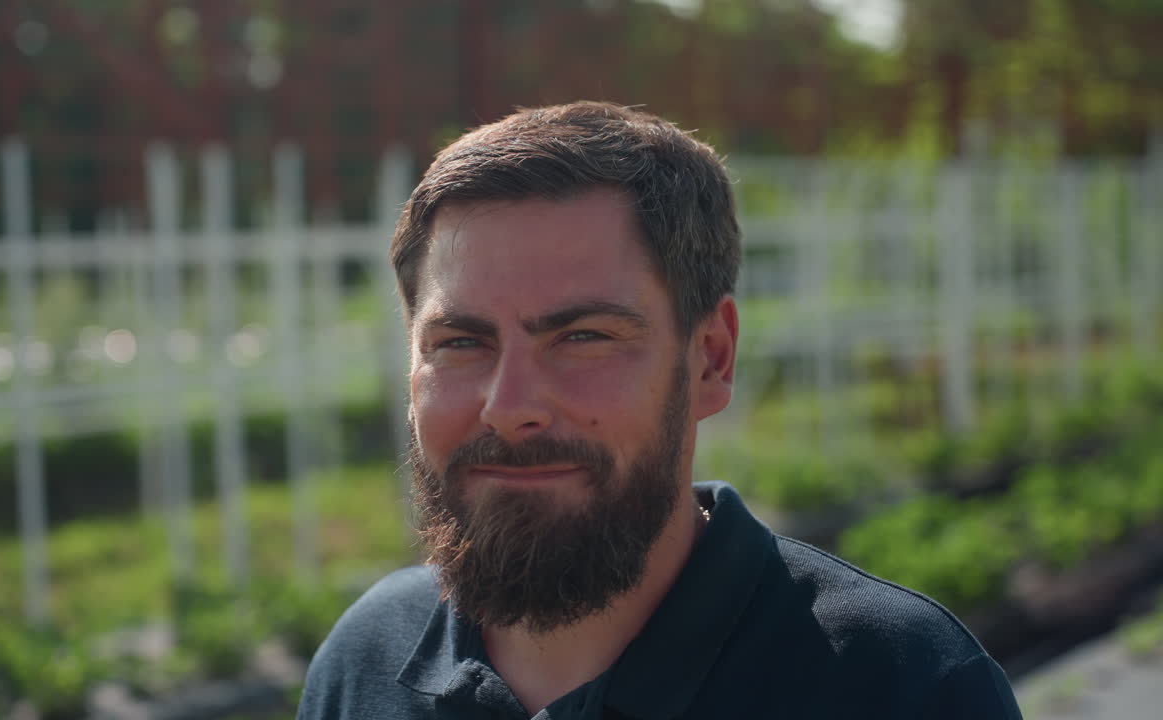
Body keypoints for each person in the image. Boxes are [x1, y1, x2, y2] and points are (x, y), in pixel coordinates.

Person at [295, 101, 1022, 719]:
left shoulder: (901, 686)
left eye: (583, 337)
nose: (509, 407)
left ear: (710, 359)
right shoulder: (362, 665)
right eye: (460, 342)